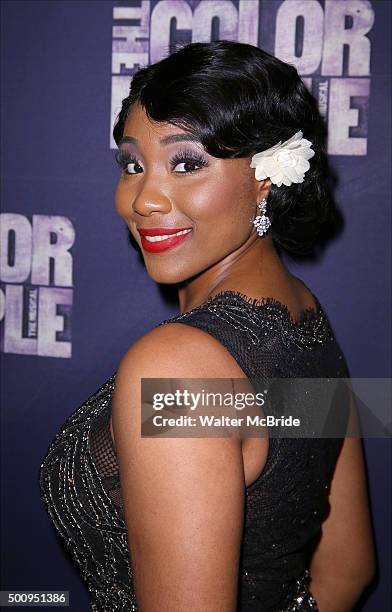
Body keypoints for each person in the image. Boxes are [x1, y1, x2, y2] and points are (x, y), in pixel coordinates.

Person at [39, 41, 375, 611]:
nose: (143, 199)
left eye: (187, 163)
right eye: (132, 164)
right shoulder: (304, 315)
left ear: (267, 176)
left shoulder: (178, 368)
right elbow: (347, 570)